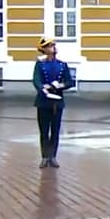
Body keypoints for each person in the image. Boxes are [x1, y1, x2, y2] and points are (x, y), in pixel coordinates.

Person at [32, 37, 75, 169]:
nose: (53, 48)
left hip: (57, 101)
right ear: (44, 49)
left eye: (53, 45)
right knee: (44, 131)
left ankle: (53, 156)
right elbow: (36, 80)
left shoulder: (62, 65)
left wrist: (60, 85)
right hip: (43, 101)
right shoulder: (40, 64)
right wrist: (43, 88)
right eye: (50, 46)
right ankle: (45, 157)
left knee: (55, 131)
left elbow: (69, 82)